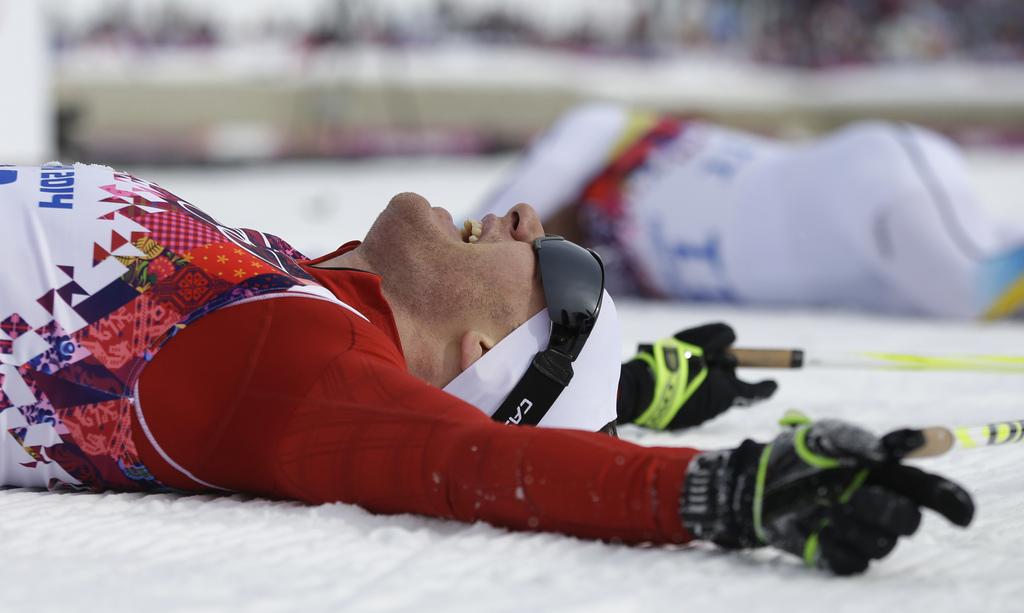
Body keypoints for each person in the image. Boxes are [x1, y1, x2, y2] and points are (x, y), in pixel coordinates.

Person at [0, 162, 973, 575]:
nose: (524, 221)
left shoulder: (295, 364)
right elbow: (500, 406)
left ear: (479, 352)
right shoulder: (296, 297)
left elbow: (467, 458)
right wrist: (630, 385)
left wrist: (727, 491)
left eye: (552, 266)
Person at [476, 103, 1024, 319]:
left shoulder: (598, 131)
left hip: (859, 188)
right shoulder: (586, 274)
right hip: (861, 264)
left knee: (974, 291)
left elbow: (473, 237)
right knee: (983, 291)